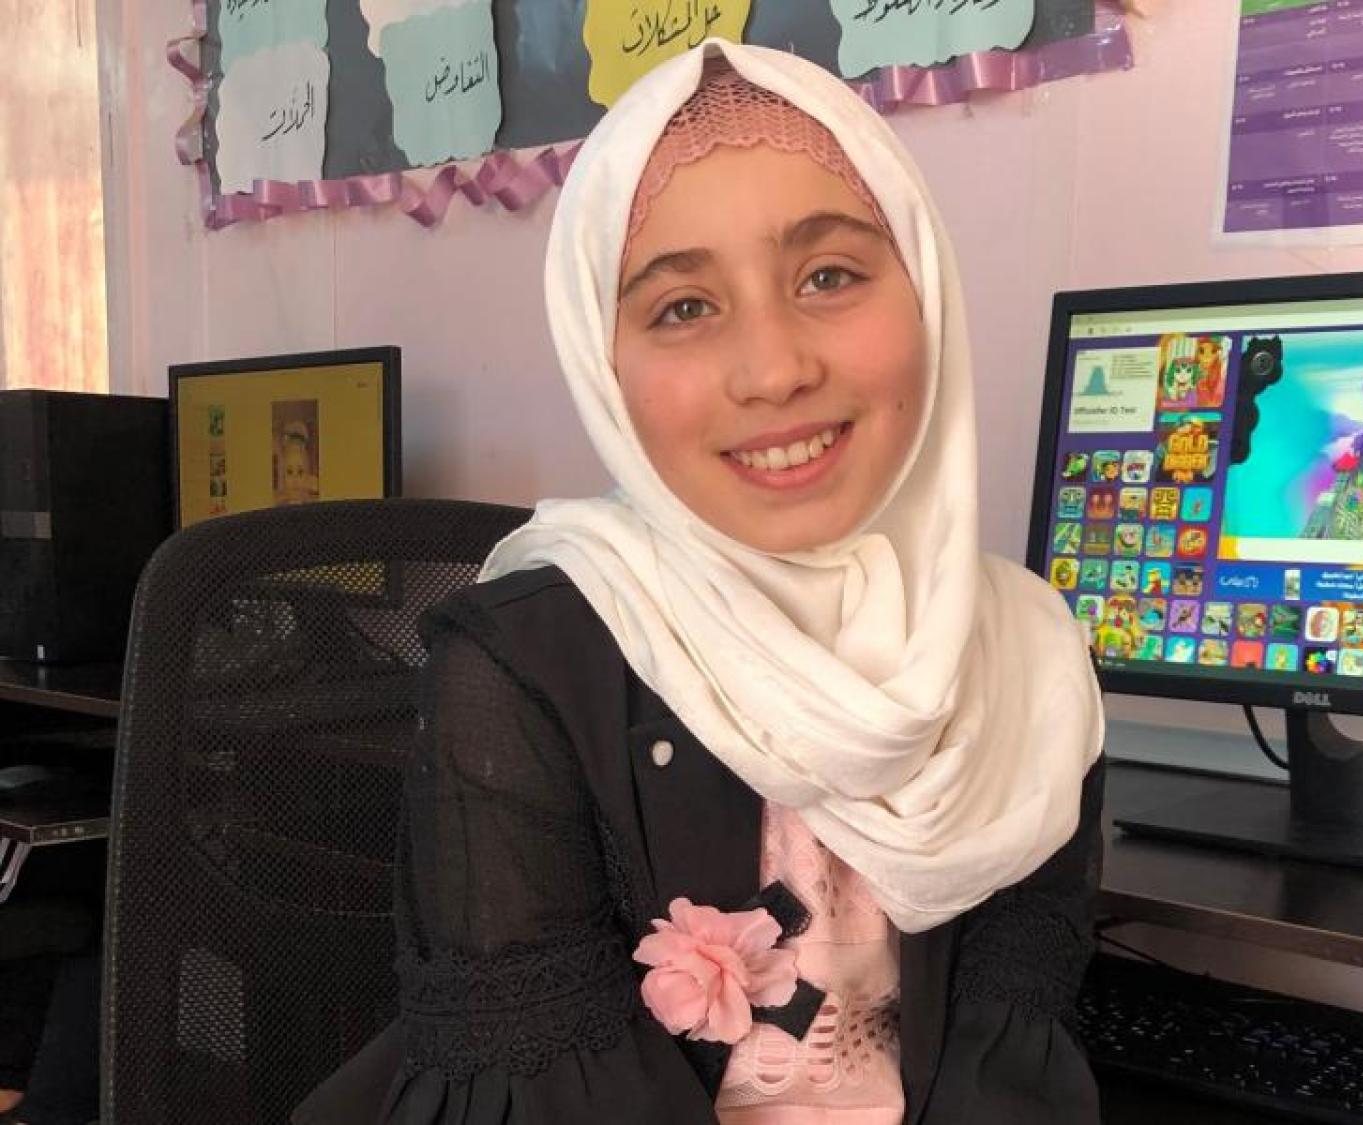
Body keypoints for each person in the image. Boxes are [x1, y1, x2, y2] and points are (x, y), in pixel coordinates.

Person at [293, 38, 1104, 1124]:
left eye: (828, 276)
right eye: (683, 307)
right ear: (603, 361)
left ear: (925, 290)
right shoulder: (523, 665)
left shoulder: (1027, 657)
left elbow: (1008, 1063)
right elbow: (550, 1096)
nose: (774, 370)